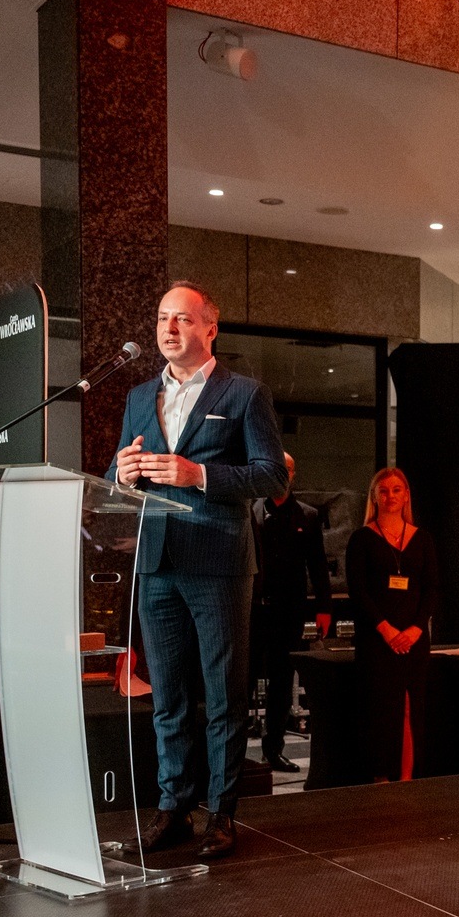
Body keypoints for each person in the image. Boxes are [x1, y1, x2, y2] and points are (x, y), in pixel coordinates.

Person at [109, 281, 288, 860]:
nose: (169, 328)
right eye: (163, 318)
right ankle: (174, 807)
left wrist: (200, 476)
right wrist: (121, 472)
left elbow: (271, 475)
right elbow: (117, 472)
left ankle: (222, 812)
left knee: (223, 694)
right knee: (168, 697)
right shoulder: (140, 396)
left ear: (210, 329)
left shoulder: (244, 394)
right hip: (156, 561)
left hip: (217, 562)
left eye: (182, 319)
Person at [346, 467, 439, 783]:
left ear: (406, 495)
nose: (390, 496)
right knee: (380, 712)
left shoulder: (422, 539)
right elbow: (358, 592)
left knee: (411, 710)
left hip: (413, 640)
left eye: (397, 490)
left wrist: (415, 629)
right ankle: (380, 780)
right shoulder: (361, 539)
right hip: (377, 641)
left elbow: (431, 589)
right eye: (383, 491)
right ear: (374, 497)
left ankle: (407, 779)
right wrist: (386, 630)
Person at [250, 452, 333, 772]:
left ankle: (274, 750)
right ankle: (236, 753)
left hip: (289, 613)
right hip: (254, 611)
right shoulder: (251, 510)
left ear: (293, 474)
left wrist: (324, 607)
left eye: (286, 469)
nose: (281, 474)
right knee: (244, 681)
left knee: (282, 684)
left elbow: (318, 566)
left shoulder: (308, 516)